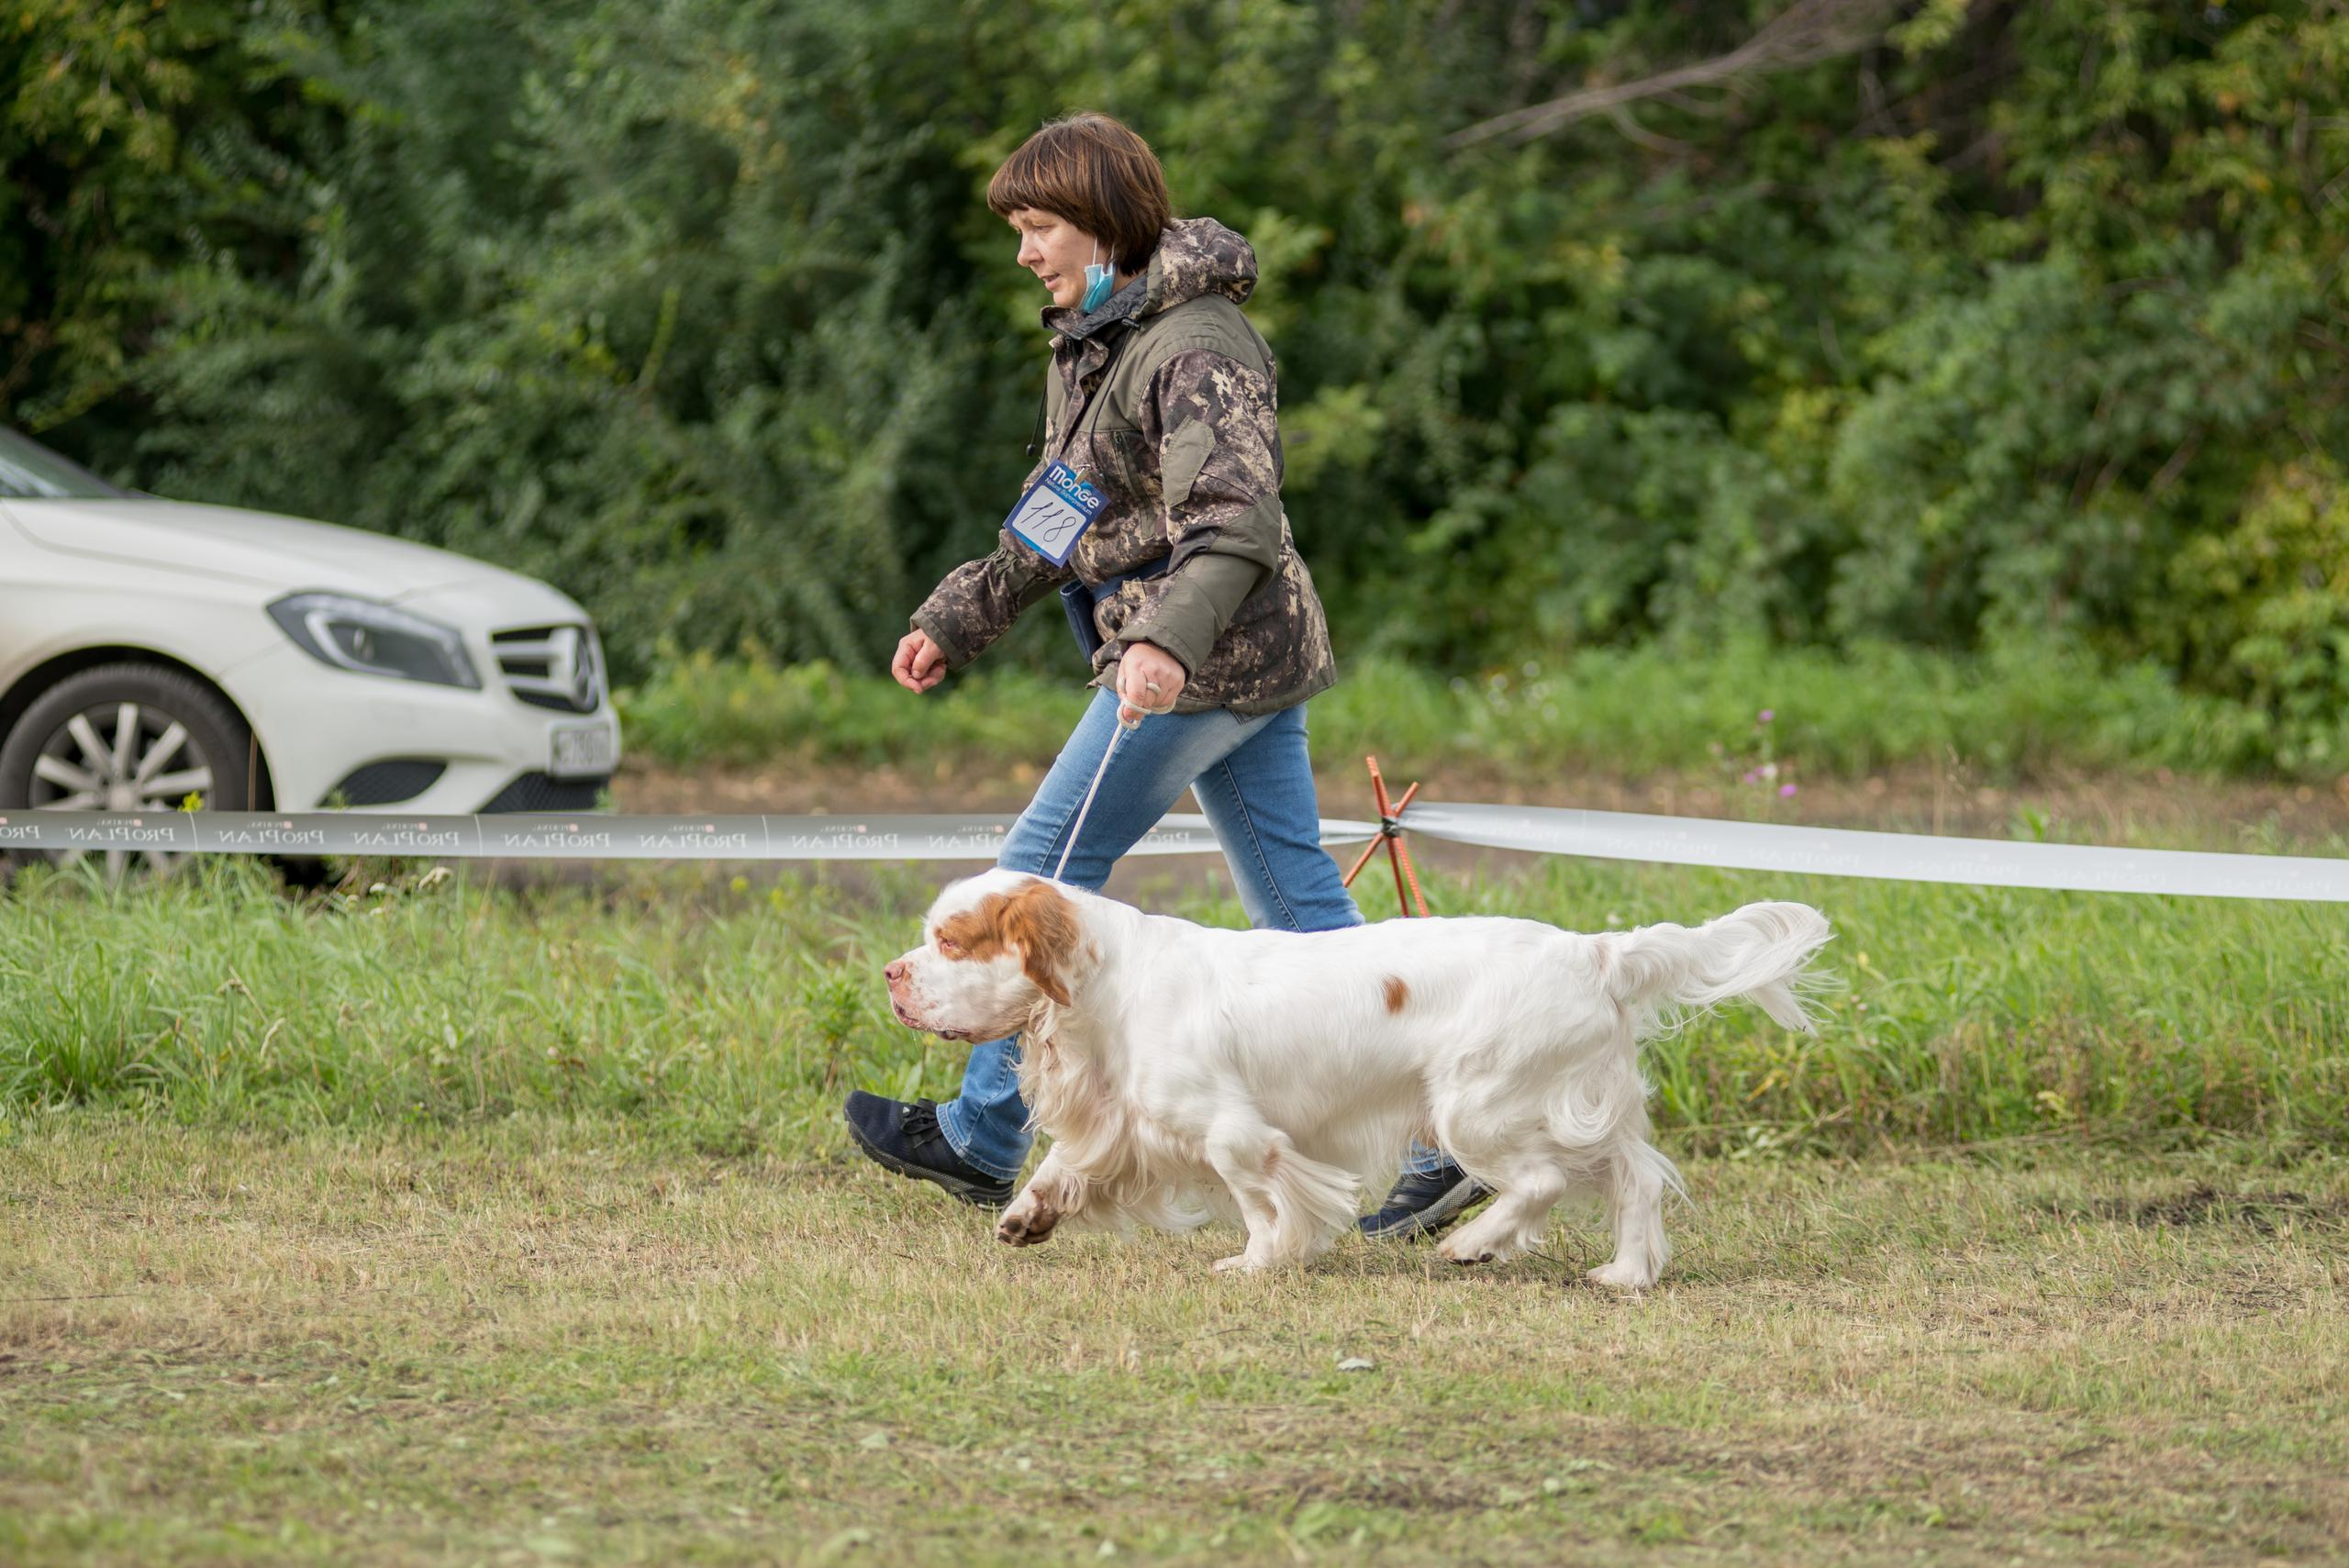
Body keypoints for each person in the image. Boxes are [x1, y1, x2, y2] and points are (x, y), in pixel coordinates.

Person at [841, 111, 1486, 1240]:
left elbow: (1236, 523)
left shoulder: (1197, 344)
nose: (1026, 251)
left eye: (1041, 226)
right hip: (1207, 657)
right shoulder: (1098, 339)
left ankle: (985, 1138)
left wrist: (1164, 643)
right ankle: (1444, 1140)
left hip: (1200, 659)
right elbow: (1059, 514)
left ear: (1101, 222)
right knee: (1300, 910)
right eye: (1022, 230)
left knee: (1039, 873)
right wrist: (958, 615)